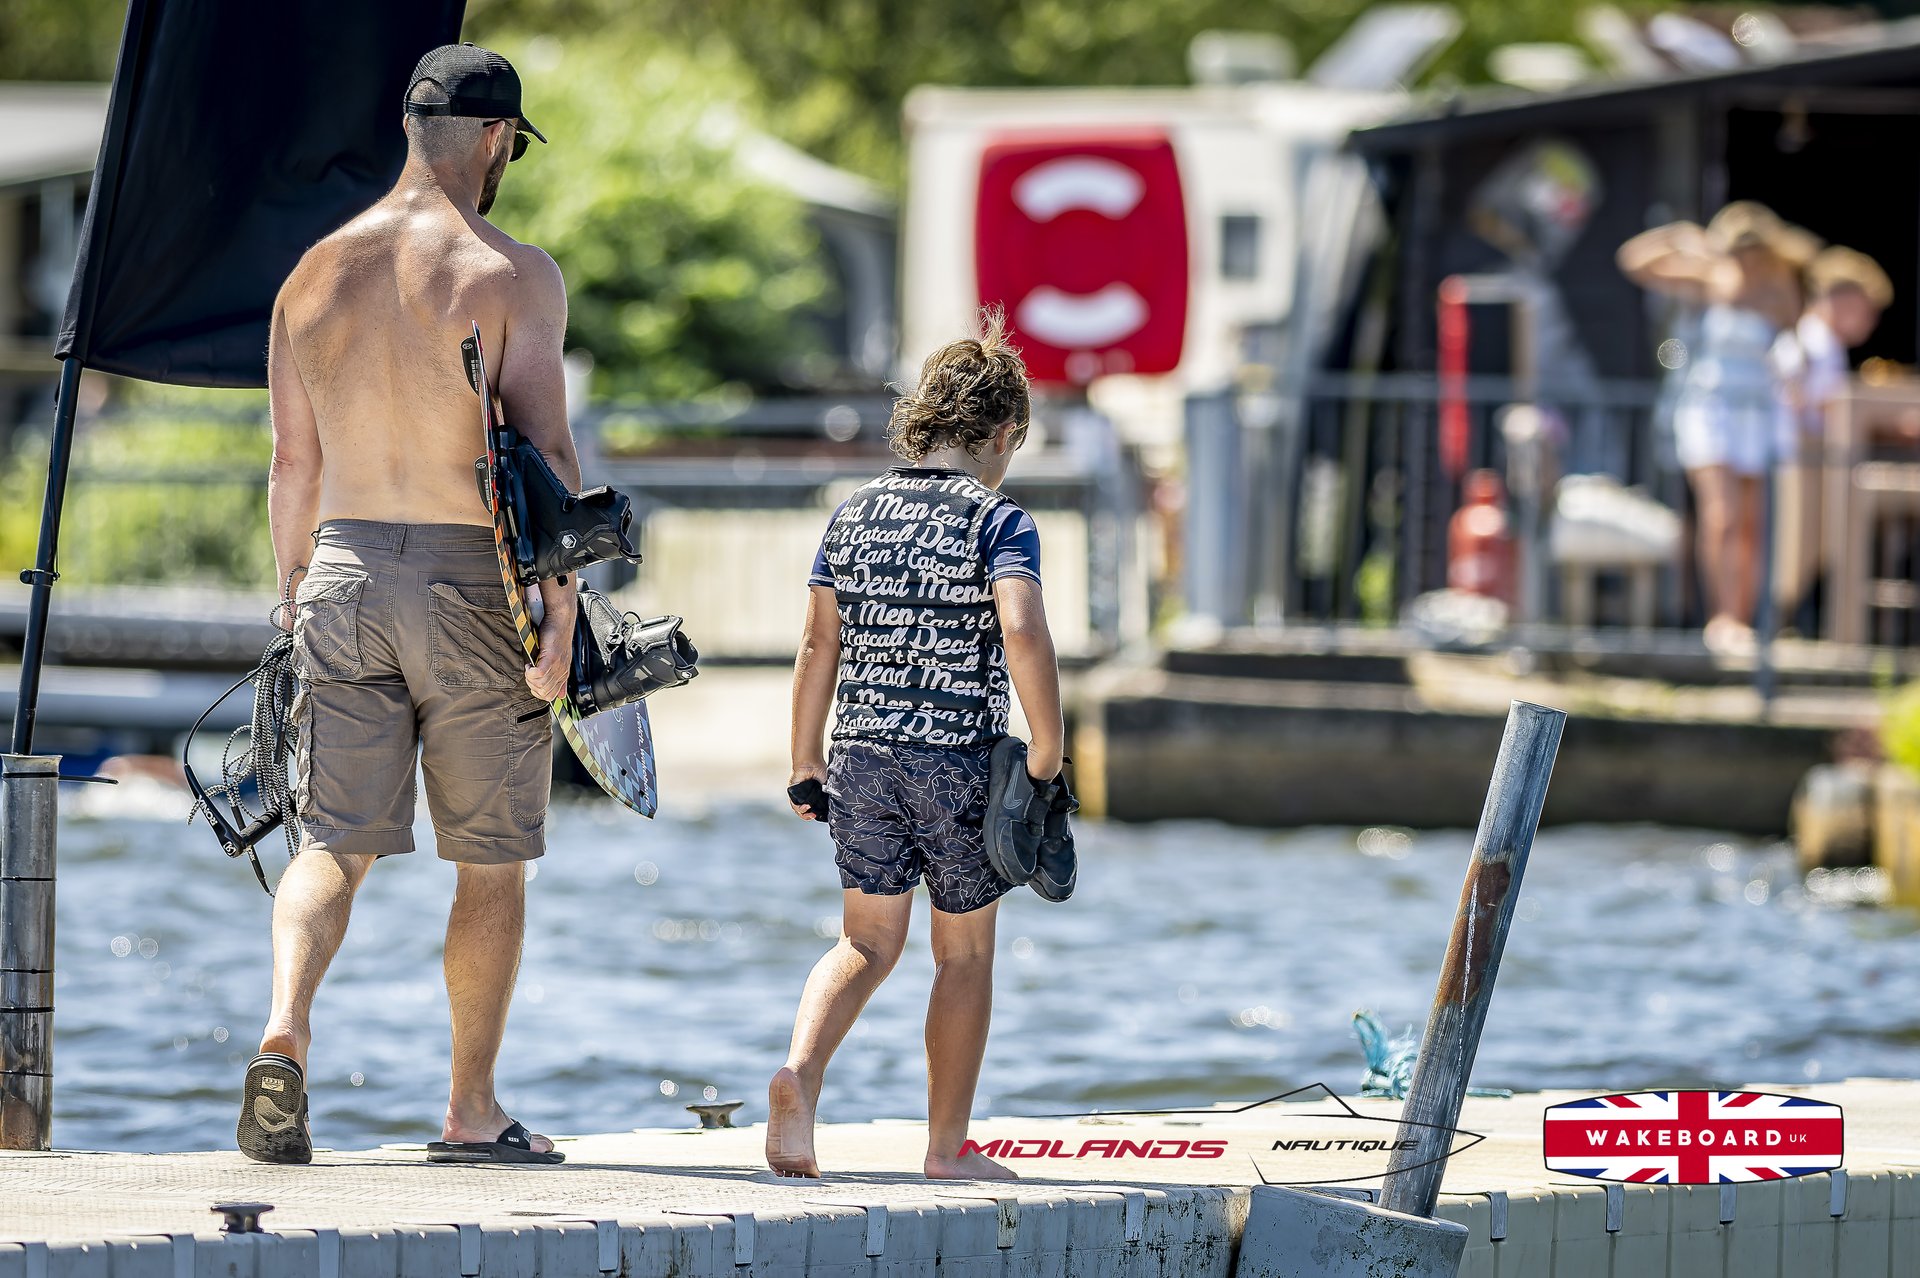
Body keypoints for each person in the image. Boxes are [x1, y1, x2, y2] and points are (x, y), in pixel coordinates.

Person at [236, 43, 577, 1166]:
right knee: (491, 858)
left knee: (331, 841)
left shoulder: (311, 272)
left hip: (335, 571)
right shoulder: (510, 273)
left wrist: (295, 598)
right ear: (494, 141)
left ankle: (286, 1023)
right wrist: (561, 611)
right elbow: (547, 451)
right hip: (469, 580)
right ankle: (471, 1111)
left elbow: (291, 467)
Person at [767, 310, 1065, 1180]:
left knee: (864, 942)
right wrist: (1046, 749)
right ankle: (946, 1151)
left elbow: (817, 644)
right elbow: (1023, 628)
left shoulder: (853, 513)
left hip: (858, 754)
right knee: (963, 953)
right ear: (1004, 433)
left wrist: (804, 760)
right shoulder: (997, 519)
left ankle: (800, 1076)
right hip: (956, 760)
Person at [1617, 201, 1818, 652]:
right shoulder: (1711, 275)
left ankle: (1745, 618)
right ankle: (1721, 618)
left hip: (1759, 411)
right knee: (1720, 515)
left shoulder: (1779, 287)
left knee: (1751, 523)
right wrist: (1680, 234)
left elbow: (1796, 345)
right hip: (1710, 407)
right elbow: (1633, 260)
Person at [1771, 246, 1893, 627]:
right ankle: (1778, 626)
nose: (1870, 322)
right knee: (1796, 548)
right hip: (1800, 455)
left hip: (1809, 454)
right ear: (1842, 300)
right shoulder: (1813, 339)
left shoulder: (1822, 342)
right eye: (1866, 309)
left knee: (1812, 547)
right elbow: (1795, 394)